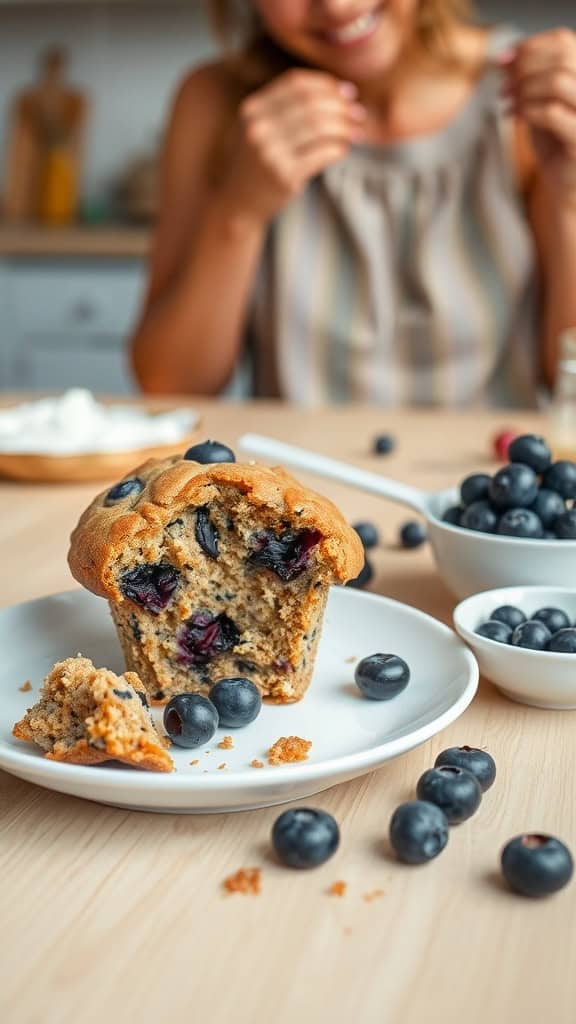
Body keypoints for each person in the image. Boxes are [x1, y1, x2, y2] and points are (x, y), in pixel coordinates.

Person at [130, 2, 576, 407]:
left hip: (495, 486)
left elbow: (565, 380)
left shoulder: (531, 98)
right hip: (301, 489)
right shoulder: (216, 103)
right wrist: (239, 212)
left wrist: (571, 196)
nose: (337, 6)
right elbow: (170, 384)